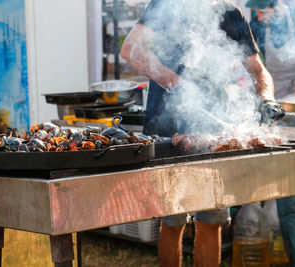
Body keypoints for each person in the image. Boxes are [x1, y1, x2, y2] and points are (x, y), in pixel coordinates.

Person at [120, 0, 285, 266]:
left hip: (213, 130)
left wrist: (268, 100)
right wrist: (176, 83)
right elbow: (130, 50)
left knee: (213, 220)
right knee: (173, 220)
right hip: (168, 129)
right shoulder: (165, 5)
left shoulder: (232, 14)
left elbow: (257, 70)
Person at [247, 0, 295, 265]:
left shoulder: (293, 20)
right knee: (286, 184)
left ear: (274, 5)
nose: (259, 16)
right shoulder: (262, 25)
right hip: (279, 104)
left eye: (262, 11)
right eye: (256, 12)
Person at [248, 0, 295, 99]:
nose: (259, 18)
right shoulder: (257, 24)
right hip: (276, 91)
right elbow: (243, 53)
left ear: (277, 4)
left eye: (263, 12)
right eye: (255, 12)